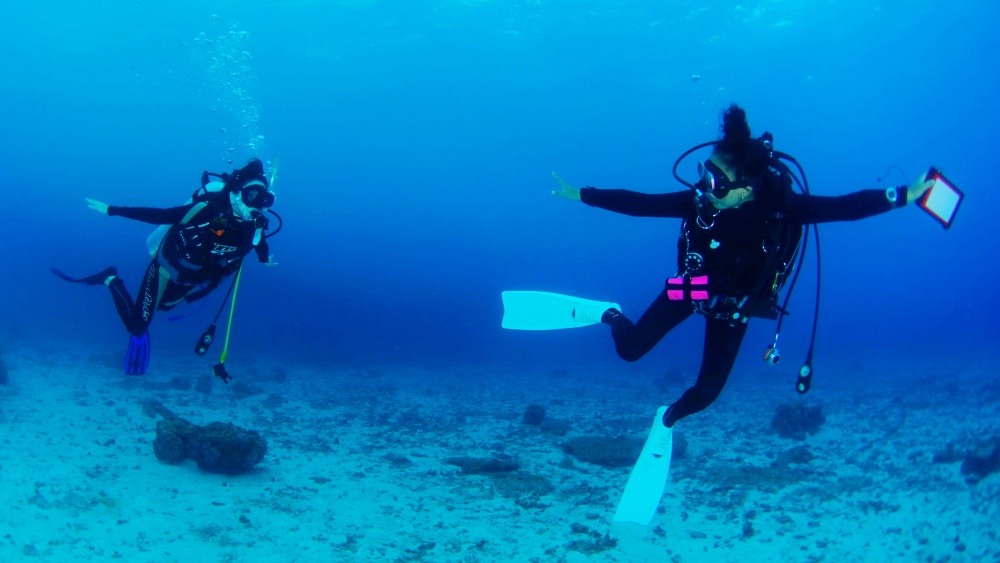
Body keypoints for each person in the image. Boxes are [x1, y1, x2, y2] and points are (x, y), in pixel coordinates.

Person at [552, 105, 934, 429]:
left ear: (746, 189)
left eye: (717, 182)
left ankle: (666, 419)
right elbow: (640, 204)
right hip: (693, 286)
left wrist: (904, 195)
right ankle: (610, 314)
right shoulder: (698, 201)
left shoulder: (781, 211)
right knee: (630, 350)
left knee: (706, 393)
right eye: (705, 173)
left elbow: (845, 207)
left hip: (735, 305)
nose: (705, 187)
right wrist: (583, 194)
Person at [52, 158, 279, 376]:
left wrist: (264, 259)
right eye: (252, 195)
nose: (258, 205)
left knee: (163, 307)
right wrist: (113, 210)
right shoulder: (208, 210)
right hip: (165, 269)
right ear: (236, 193)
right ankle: (110, 279)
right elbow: (160, 215)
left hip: (191, 281)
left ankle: (133, 295)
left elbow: (259, 243)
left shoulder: (254, 227)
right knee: (137, 326)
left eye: (265, 199)